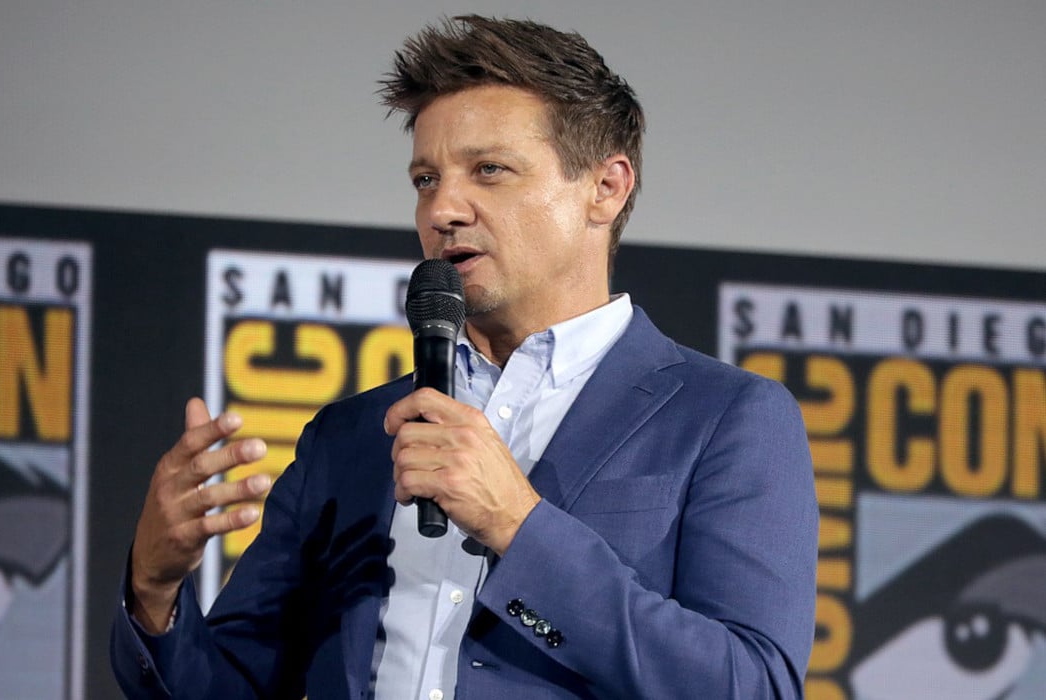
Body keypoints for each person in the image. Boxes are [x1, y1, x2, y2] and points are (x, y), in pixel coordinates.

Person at [111, 14, 818, 700]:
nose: (442, 209)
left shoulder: (725, 418)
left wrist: (519, 527)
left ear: (605, 188)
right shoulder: (351, 437)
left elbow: (751, 685)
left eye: (489, 170)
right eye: (426, 179)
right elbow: (229, 686)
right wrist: (154, 585)